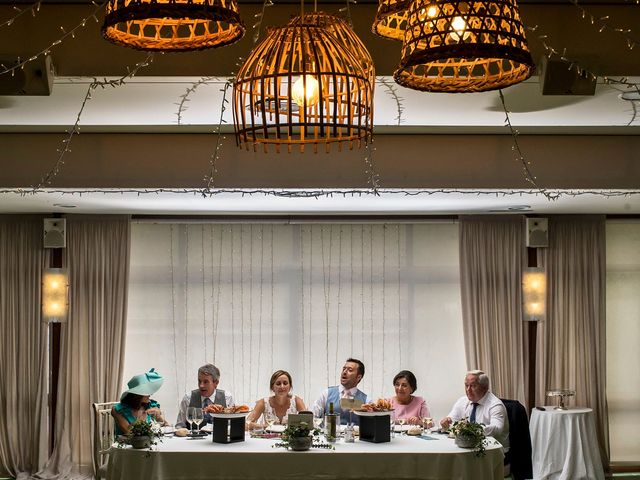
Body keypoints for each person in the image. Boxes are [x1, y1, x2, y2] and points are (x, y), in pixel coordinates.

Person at [440, 370, 509, 450]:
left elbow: (497, 430)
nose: (468, 390)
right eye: (466, 385)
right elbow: (451, 420)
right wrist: (446, 422)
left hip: (493, 451)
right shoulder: (462, 401)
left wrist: (471, 429)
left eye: (473, 386)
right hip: (468, 448)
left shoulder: (495, 405)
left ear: (485, 388)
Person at [176, 363, 234, 428]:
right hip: (195, 438)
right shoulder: (188, 398)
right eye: (199, 381)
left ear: (216, 383)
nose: (201, 385)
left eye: (206, 382)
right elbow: (179, 426)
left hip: (219, 437)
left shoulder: (227, 398)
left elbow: (232, 425)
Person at [312, 358, 368, 425]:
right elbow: (313, 417)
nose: (344, 372)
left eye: (350, 370)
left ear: (358, 377)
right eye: (344, 369)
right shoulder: (326, 393)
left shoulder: (366, 400)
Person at [111, 368, 164, 435]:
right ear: (138, 395)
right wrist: (141, 417)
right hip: (127, 444)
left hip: (147, 443)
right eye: (147, 391)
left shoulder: (150, 405)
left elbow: (165, 425)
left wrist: (159, 417)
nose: (150, 394)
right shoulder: (118, 410)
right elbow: (129, 432)